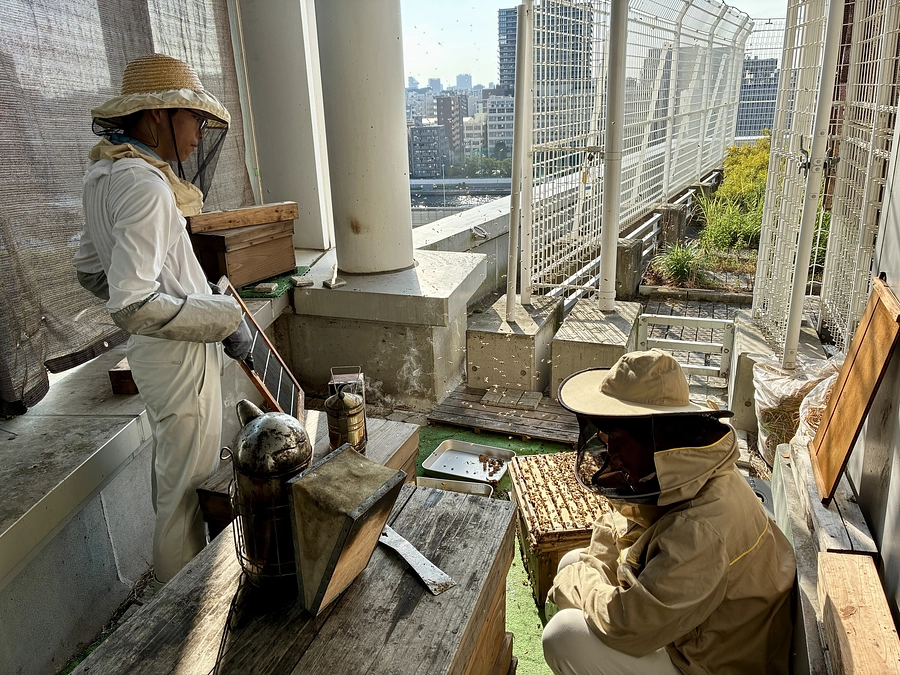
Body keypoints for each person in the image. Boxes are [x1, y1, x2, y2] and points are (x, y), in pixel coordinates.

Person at [73, 53, 252, 587]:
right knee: (184, 499)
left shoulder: (104, 173)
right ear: (155, 116)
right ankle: (182, 620)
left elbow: (89, 270)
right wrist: (220, 317)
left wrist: (179, 304)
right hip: (177, 360)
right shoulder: (146, 186)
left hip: (158, 352)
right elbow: (131, 302)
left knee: (174, 480)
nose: (199, 132)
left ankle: (181, 607)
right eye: (191, 116)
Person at [542, 349, 796, 675]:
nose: (607, 448)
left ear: (650, 435)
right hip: (694, 627)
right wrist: (585, 572)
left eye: (615, 436)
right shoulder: (684, 470)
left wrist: (575, 583)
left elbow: (627, 626)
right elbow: (620, 524)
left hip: (715, 664)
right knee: (573, 562)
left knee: (564, 636)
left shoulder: (700, 530)